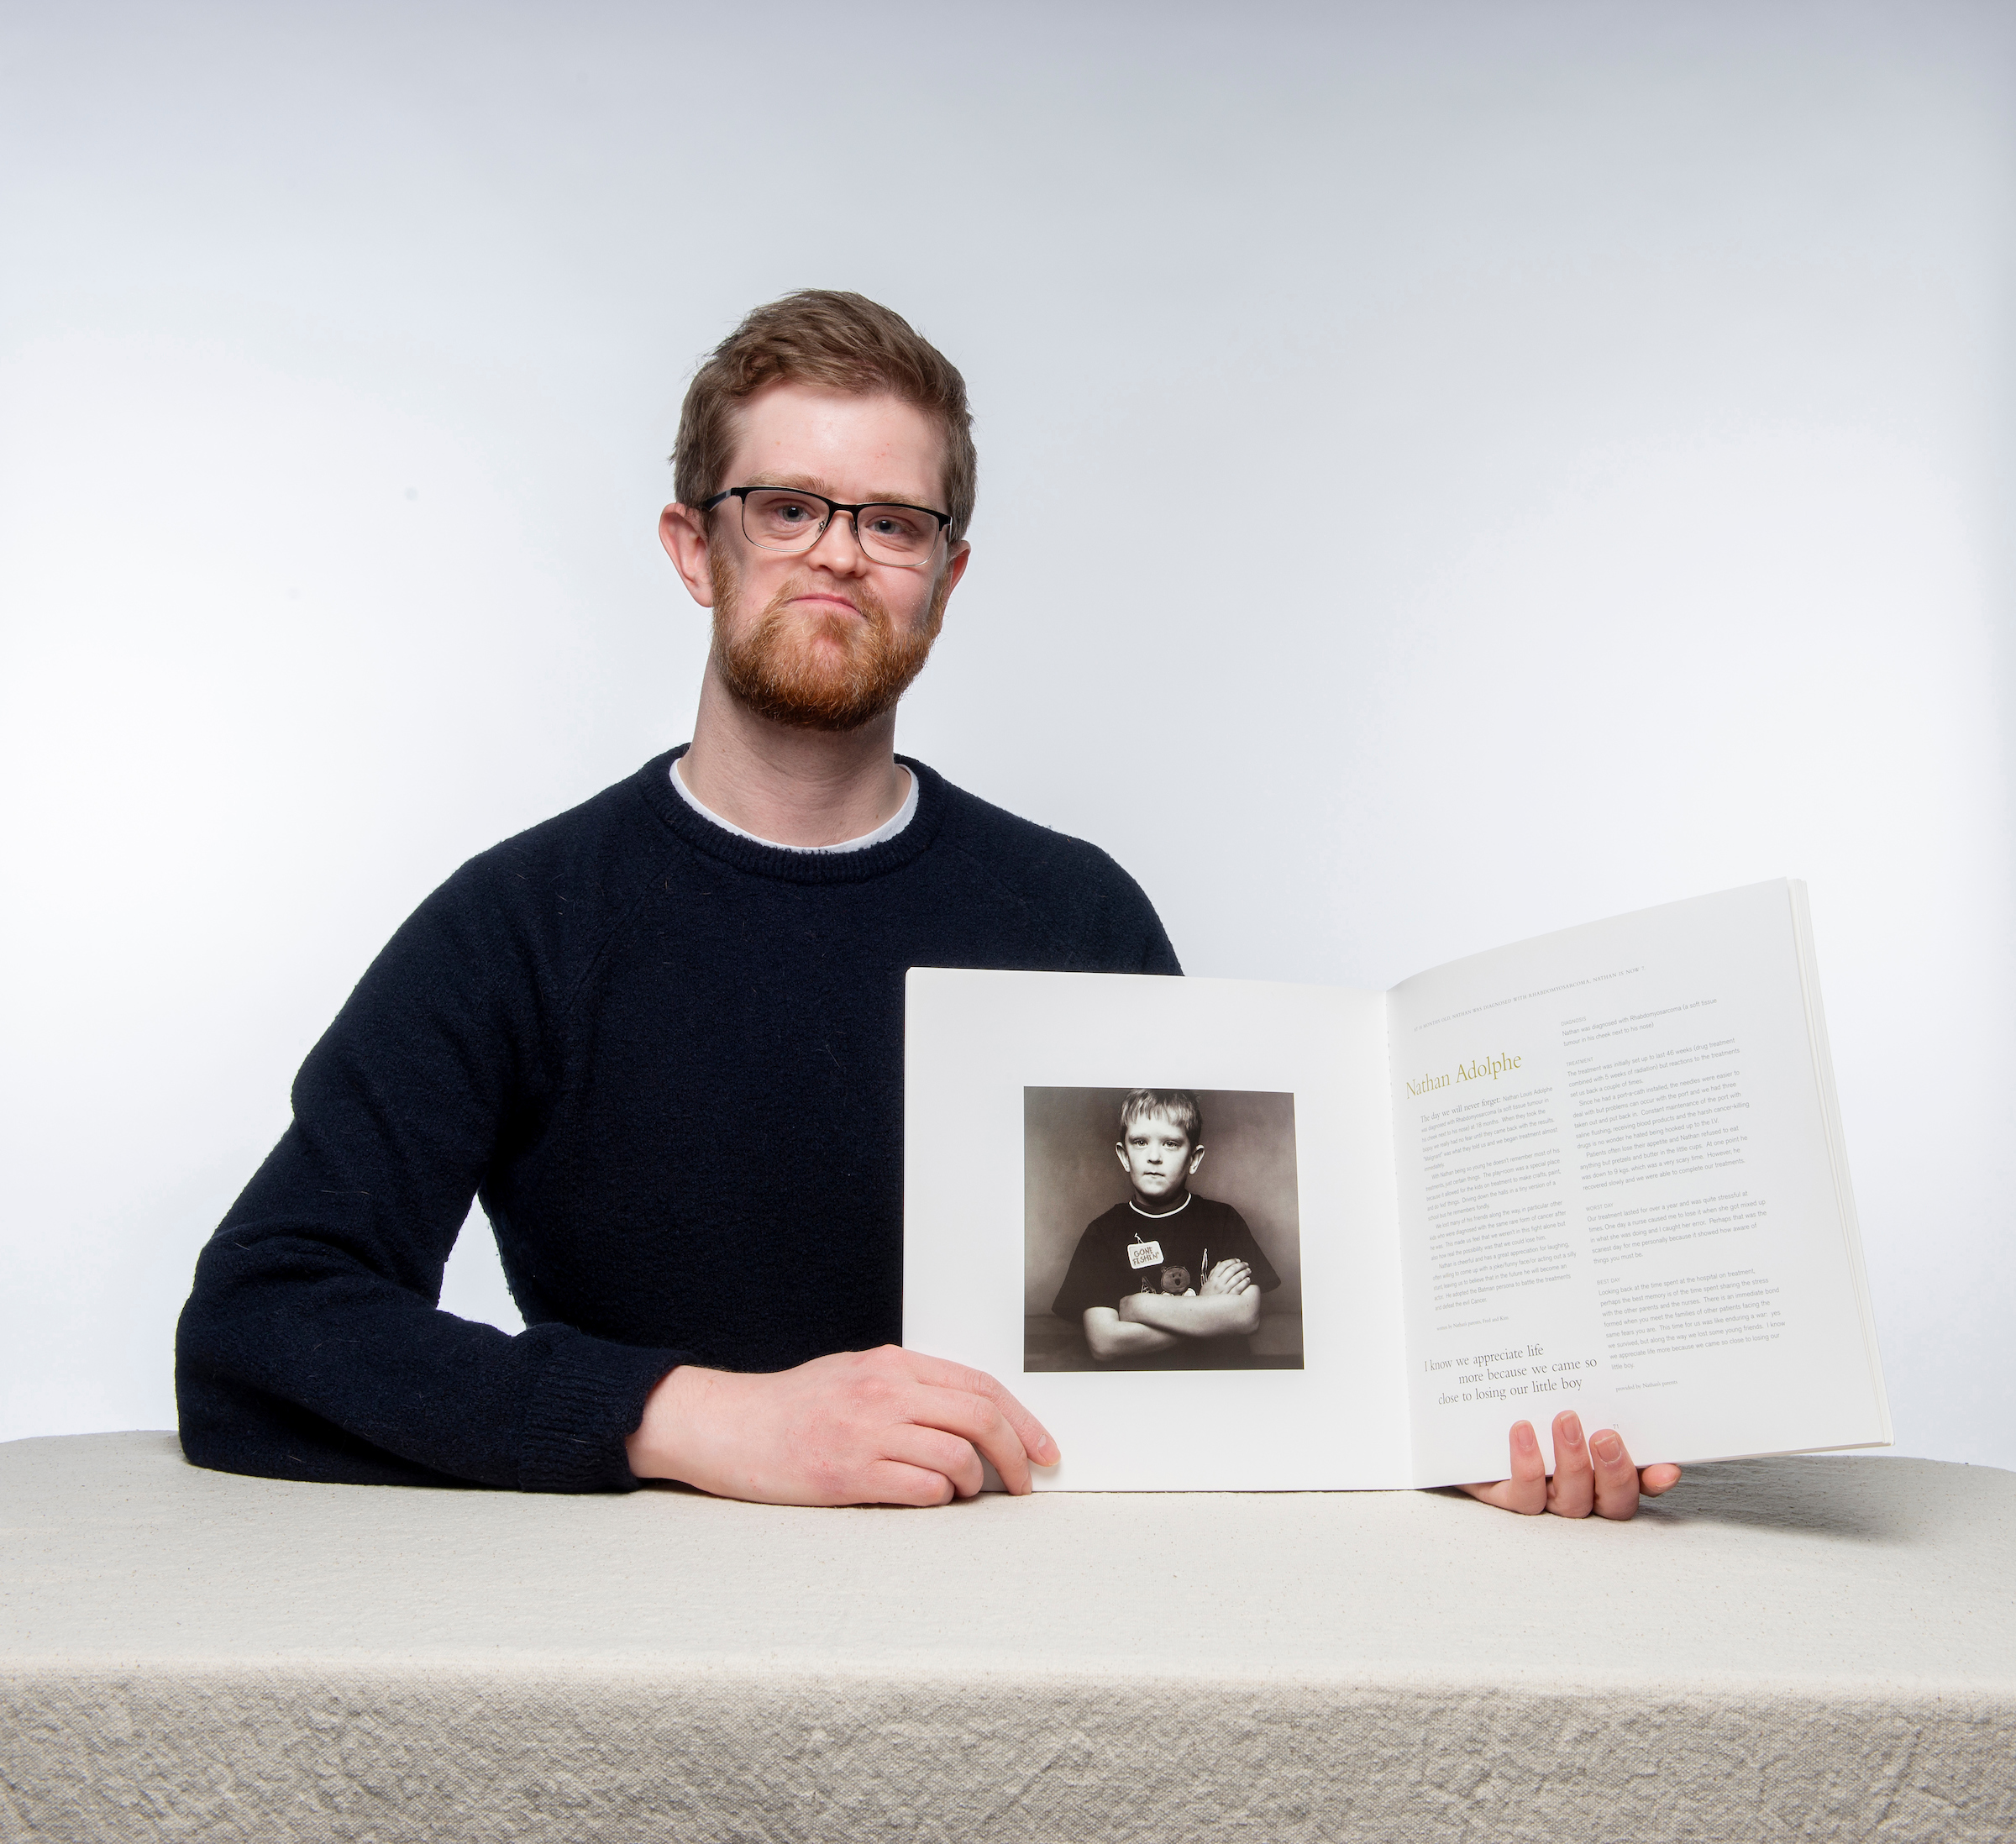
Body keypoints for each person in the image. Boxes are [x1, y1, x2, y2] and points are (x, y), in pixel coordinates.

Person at [176, 289, 1677, 1521]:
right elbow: (258, 1322)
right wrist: (692, 1421)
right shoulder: (519, 923)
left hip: (1038, 1628)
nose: (841, 551)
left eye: (894, 523)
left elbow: (1223, 1365)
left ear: (949, 579)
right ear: (694, 549)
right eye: (788, 507)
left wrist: (1450, 1438)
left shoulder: (1078, 914)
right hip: (642, 1631)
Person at [1051, 1090, 1285, 1368]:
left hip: (1219, 1388)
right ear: (1124, 1156)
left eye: (1171, 1144)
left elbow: (1246, 1316)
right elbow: (1105, 1342)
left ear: (1194, 1159)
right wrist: (1206, 1307)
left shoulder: (1224, 1221)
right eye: (1139, 1142)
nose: (1154, 1156)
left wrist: (1136, 1307)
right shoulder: (1101, 1234)